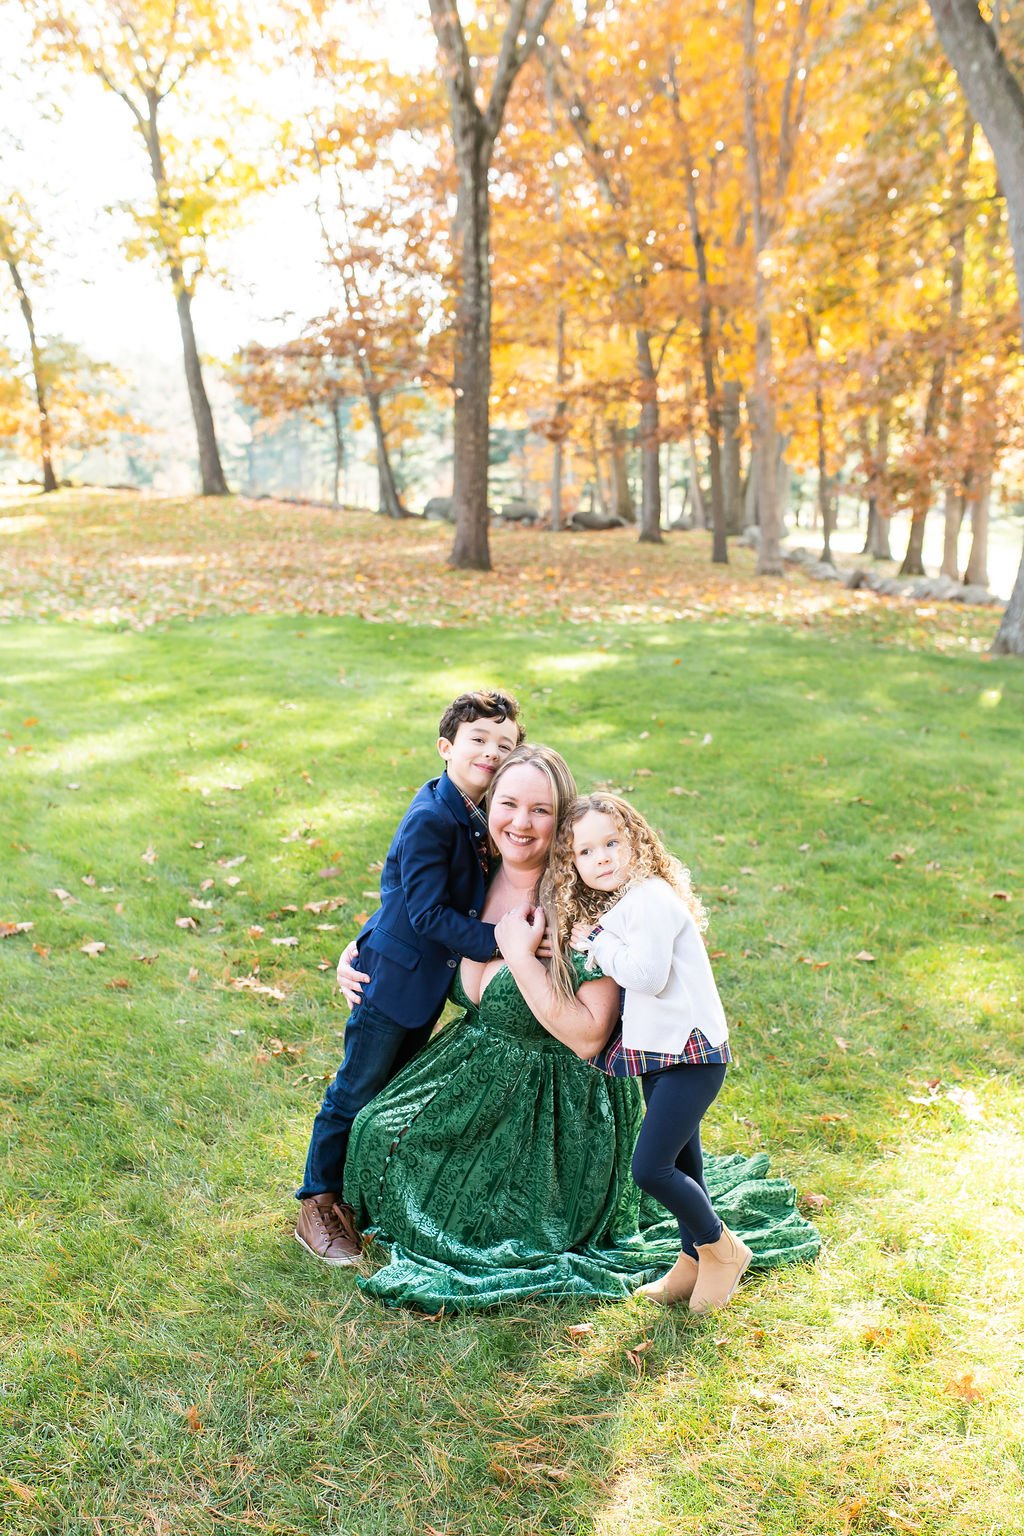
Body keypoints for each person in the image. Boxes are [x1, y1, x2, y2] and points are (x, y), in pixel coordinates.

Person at [338, 746, 820, 1312]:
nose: (520, 822)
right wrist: (360, 950)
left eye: (540, 810)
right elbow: (407, 910)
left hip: (559, 1092)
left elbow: (591, 1036)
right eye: (508, 804)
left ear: (562, 824)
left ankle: (711, 1247)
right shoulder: (473, 875)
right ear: (488, 806)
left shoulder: (582, 900)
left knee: (482, 1211)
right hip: (473, 1067)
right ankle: (697, 1251)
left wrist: (521, 957)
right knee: (375, 1132)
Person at [293, 689, 523, 1267]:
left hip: (420, 983)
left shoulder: (480, 812)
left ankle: (359, 1191)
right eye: (478, 740)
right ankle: (317, 1202)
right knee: (356, 1088)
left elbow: (395, 895)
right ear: (446, 747)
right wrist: (504, 942)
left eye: (504, 745)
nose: (491, 752)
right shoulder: (431, 819)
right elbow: (426, 914)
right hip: (393, 982)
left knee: (390, 1089)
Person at [549, 792, 749, 1311]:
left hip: (691, 1056)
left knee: (651, 1167)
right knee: (686, 1163)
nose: (602, 858)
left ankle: (723, 1249)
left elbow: (648, 976)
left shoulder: (650, 898)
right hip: (662, 1055)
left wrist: (597, 942)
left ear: (636, 841)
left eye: (611, 843)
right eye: (586, 852)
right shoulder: (628, 903)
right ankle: (692, 1260)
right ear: (573, 864)